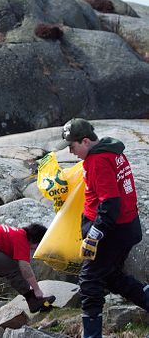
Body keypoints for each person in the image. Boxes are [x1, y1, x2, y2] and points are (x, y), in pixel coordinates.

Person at [60, 118, 149, 338]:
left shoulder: (98, 160)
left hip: (111, 231)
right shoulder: (113, 151)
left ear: (86, 141)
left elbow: (110, 203)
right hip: (126, 227)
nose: (71, 152)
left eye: (72, 146)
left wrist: (93, 236)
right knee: (110, 276)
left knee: (89, 281)